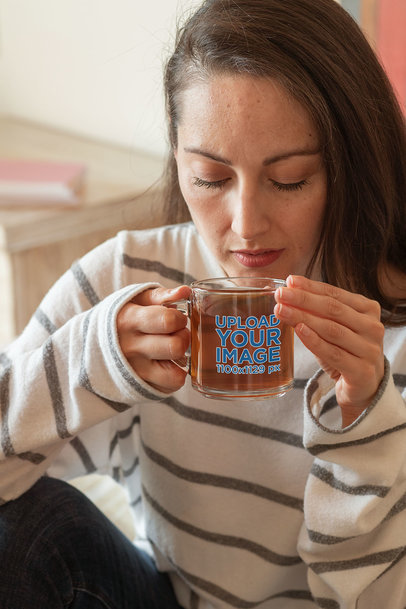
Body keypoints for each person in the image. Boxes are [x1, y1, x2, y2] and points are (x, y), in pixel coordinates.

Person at [0, 0, 405, 607]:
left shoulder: (388, 330)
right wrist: (94, 360)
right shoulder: (131, 277)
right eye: (211, 178)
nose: (245, 226)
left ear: (348, 164)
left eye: (290, 178)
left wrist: (364, 431)